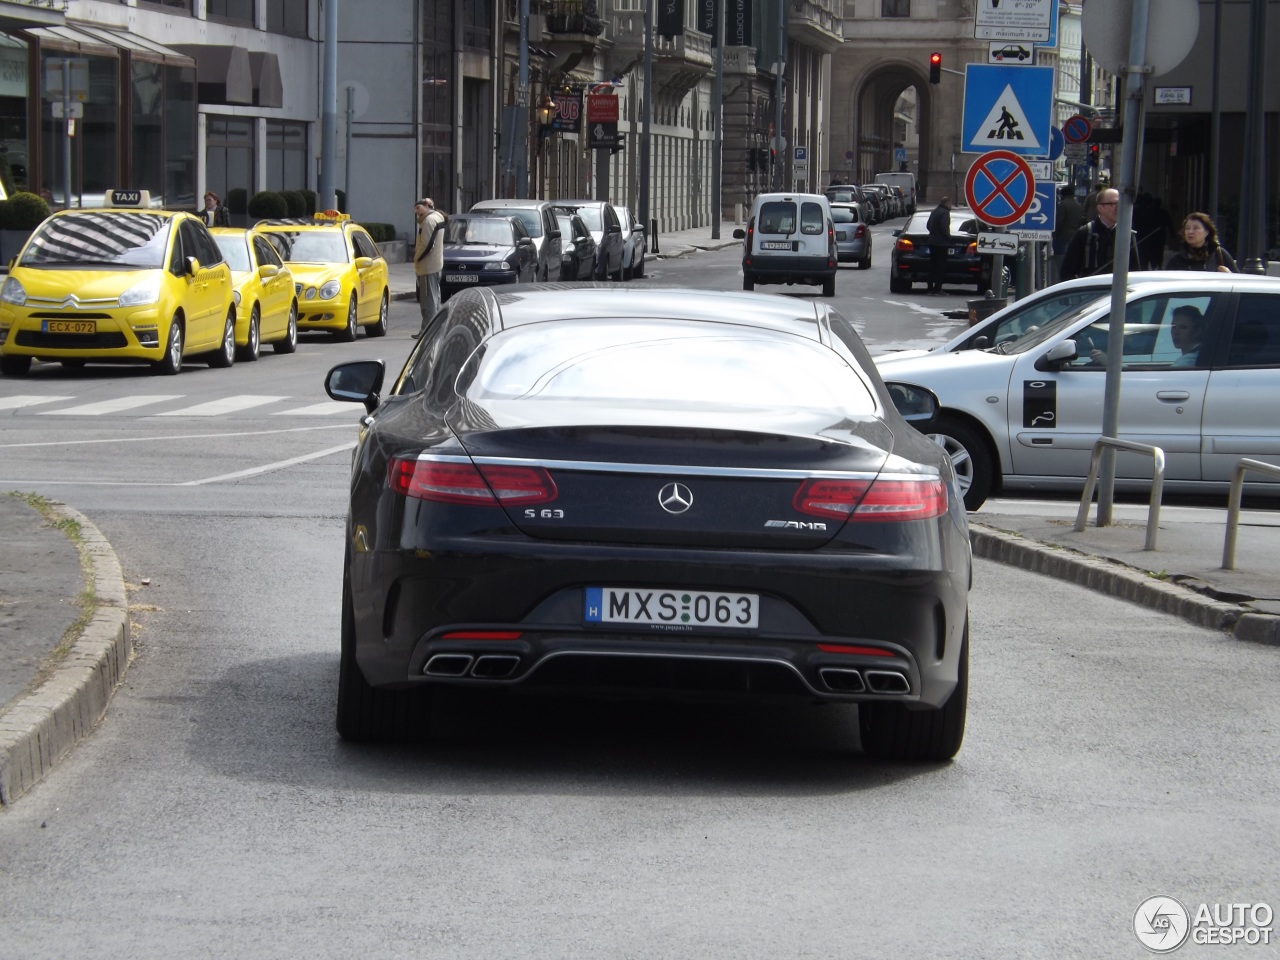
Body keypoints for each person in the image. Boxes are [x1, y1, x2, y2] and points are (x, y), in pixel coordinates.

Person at [1059, 187, 1141, 281]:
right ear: (1100, 208)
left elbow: (1135, 271)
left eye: (1120, 203)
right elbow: (1067, 272)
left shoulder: (1127, 235)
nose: (1118, 208)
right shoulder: (1085, 233)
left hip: (1119, 293)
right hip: (1092, 291)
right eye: (1113, 204)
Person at [413, 196, 447, 337]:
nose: (416, 212)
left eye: (418, 208)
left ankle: (427, 332)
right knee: (434, 299)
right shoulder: (438, 217)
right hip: (435, 265)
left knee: (428, 302)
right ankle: (434, 329)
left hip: (427, 266)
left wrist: (416, 258)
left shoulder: (429, 221)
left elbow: (426, 245)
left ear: (427, 205)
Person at [1163, 211, 1238, 273]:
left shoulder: (1219, 255)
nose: (1190, 232)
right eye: (1187, 228)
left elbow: (1239, 282)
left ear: (1207, 232)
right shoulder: (1176, 260)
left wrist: (1229, 275)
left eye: (1196, 228)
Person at [926, 195, 951, 294]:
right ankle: (937, 288)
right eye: (950, 203)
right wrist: (948, 237)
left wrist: (933, 233)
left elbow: (928, 225)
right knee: (940, 267)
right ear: (947, 203)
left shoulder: (934, 211)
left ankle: (930, 288)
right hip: (942, 244)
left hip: (932, 242)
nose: (951, 205)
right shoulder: (945, 213)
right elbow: (944, 227)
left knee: (932, 266)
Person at [1052, 186, 1083, 256]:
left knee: (1059, 258)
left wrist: (1055, 234)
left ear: (1063, 194)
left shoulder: (1063, 205)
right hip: (1074, 235)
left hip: (1062, 236)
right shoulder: (1078, 205)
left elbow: (1059, 221)